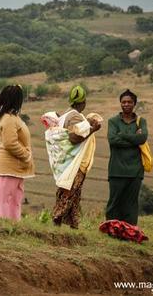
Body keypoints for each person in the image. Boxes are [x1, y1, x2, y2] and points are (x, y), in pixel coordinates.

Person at [48, 85, 102, 229]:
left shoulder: (66, 114)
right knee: (68, 193)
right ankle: (56, 219)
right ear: (83, 102)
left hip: (67, 162)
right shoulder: (75, 116)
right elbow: (74, 137)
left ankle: (74, 225)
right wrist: (92, 130)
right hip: (75, 163)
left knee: (74, 195)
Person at [0, 85, 35, 221]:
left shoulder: (12, 117)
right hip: (10, 166)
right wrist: (26, 155)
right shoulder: (9, 119)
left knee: (14, 198)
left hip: (15, 167)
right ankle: (2, 223)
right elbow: (10, 143)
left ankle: (12, 224)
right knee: (6, 198)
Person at [106, 89, 148, 225]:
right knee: (114, 203)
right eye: (123, 102)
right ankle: (112, 229)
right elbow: (113, 140)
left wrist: (122, 135)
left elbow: (142, 138)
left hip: (135, 171)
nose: (126, 104)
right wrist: (134, 138)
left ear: (134, 104)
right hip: (116, 170)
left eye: (129, 102)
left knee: (131, 204)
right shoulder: (113, 121)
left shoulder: (141, 121)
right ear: (120, 103)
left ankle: (129, 232)